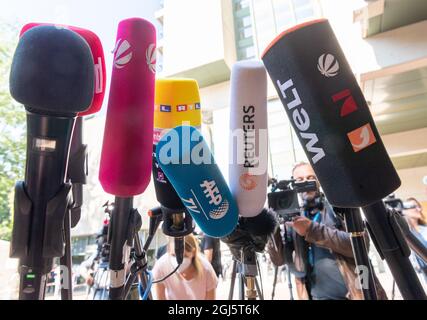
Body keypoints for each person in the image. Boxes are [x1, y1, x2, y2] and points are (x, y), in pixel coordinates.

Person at [283, 161, 386, 300]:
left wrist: (311, 229)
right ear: (293, 184)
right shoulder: (294, 218)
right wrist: (270, 230)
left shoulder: (339, 205)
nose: (305, 183)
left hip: (356, 294)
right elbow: (279, 261)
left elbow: (361, 246)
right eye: (299, 180)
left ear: (319, 180)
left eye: (310, 178)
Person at [152, 234, 218, 300]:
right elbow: (160, 297)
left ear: (193, 252)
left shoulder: (206, 269)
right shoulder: (161, 266)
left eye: (185, 256)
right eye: (174, 255)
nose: (178, 262)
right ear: (168, 250)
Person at [403, 197, 427, 284]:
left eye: (419, 206)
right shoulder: (403, 233)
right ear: (404, 210)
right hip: (419, 276)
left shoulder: (425, 229)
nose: (419, 209)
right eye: (414, 206)